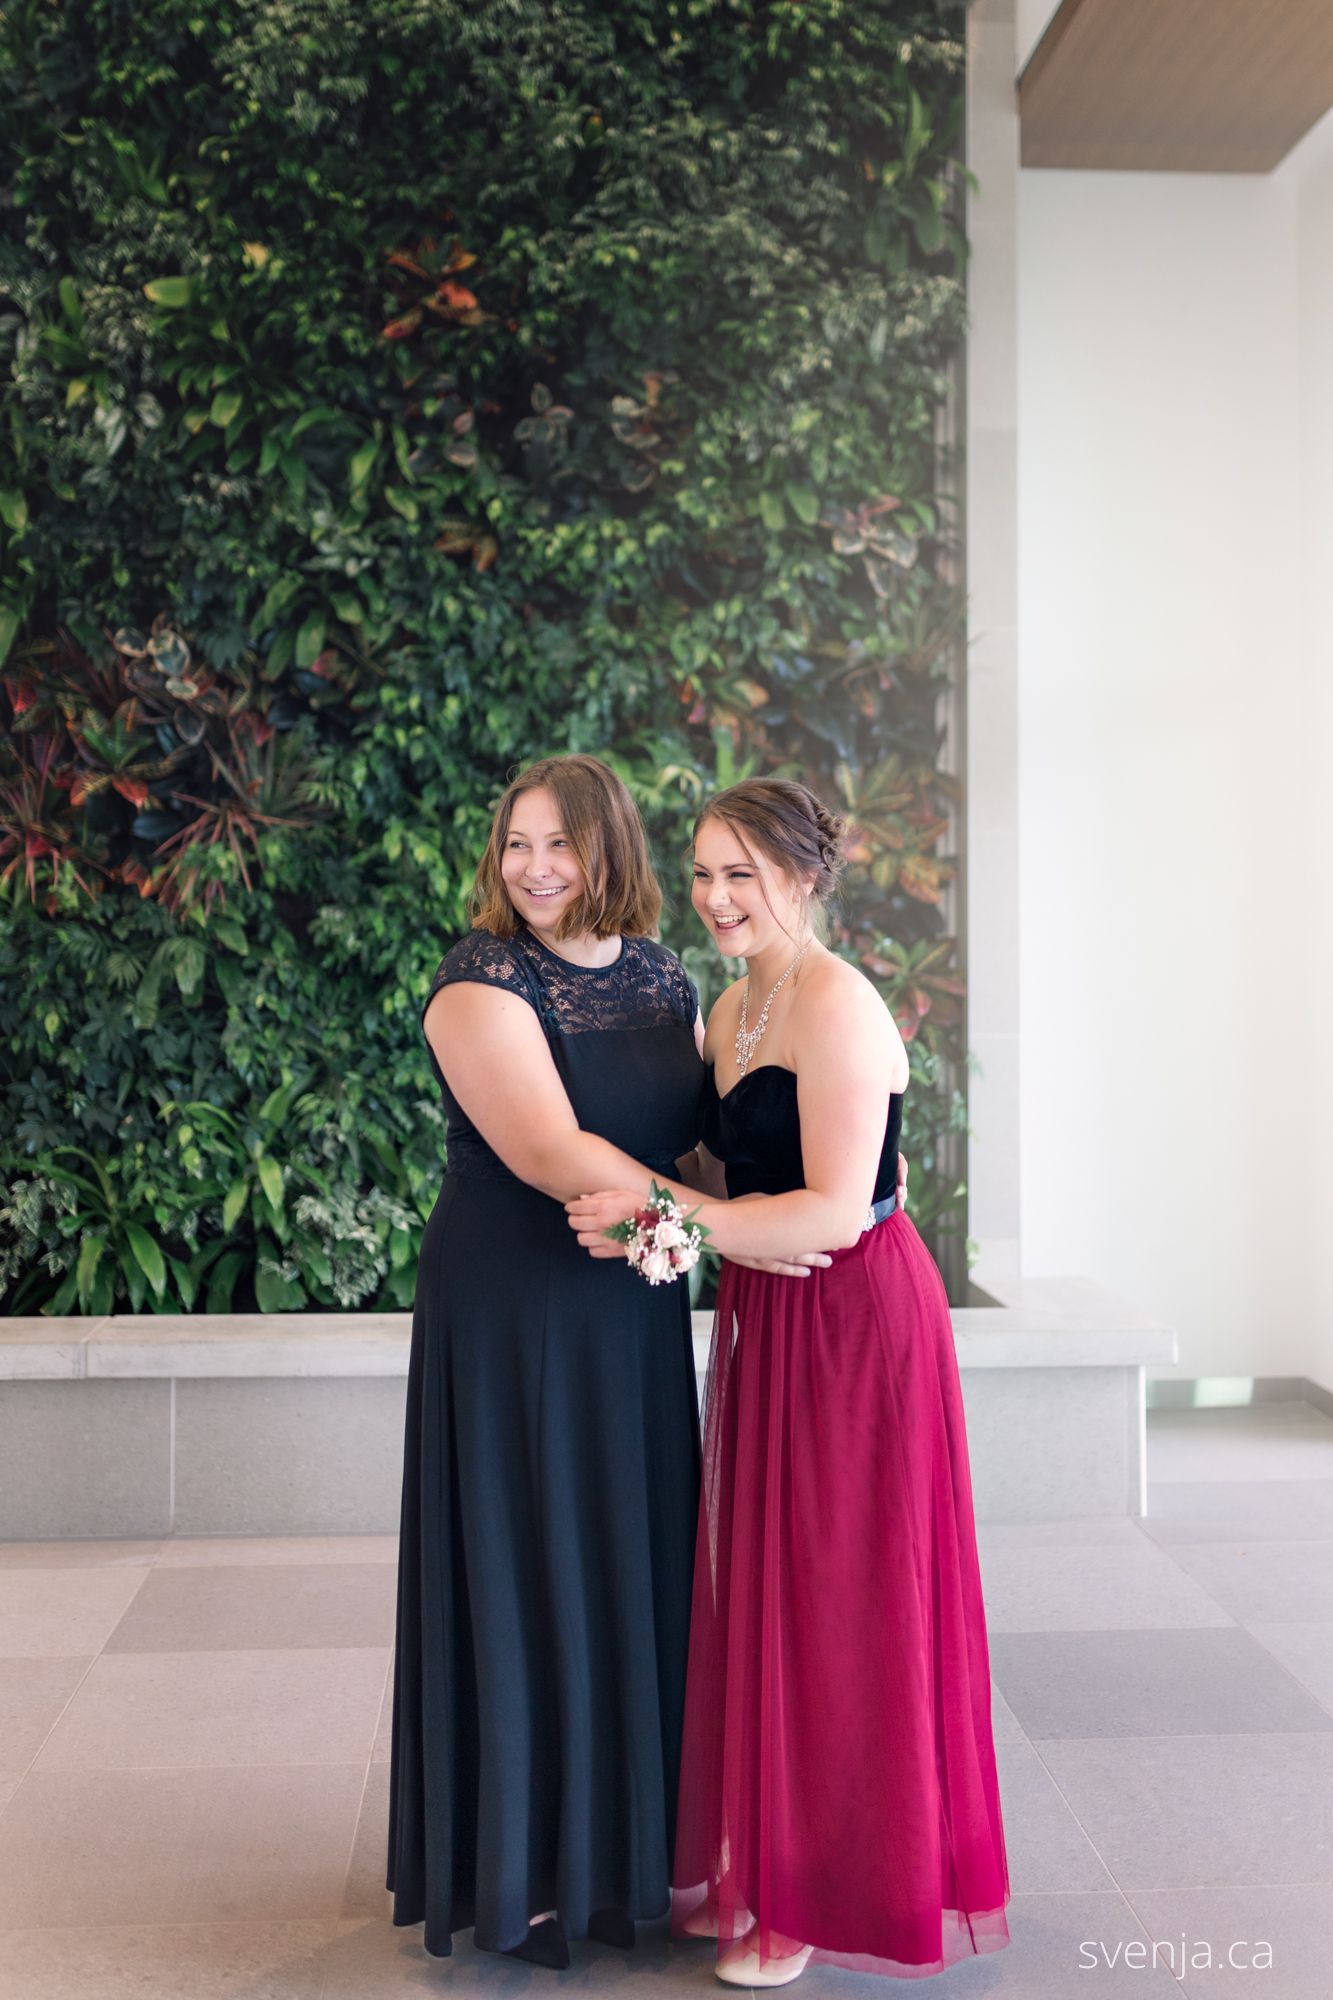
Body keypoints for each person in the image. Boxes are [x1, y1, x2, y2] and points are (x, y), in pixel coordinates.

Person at [567, 777, 1011, 1986]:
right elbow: (731, 1171)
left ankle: (818, 1888)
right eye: (703, 872)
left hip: (856, 1314)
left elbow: (829, 1204)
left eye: (740, 875)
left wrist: (675, 1214)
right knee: (763, 1573)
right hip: (771, 1305)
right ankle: (761, 1858)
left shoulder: (839, 1008)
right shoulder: (731, 1003)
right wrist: (669, 1199)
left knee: (837, 1585)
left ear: (805, 878)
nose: (715, 897)